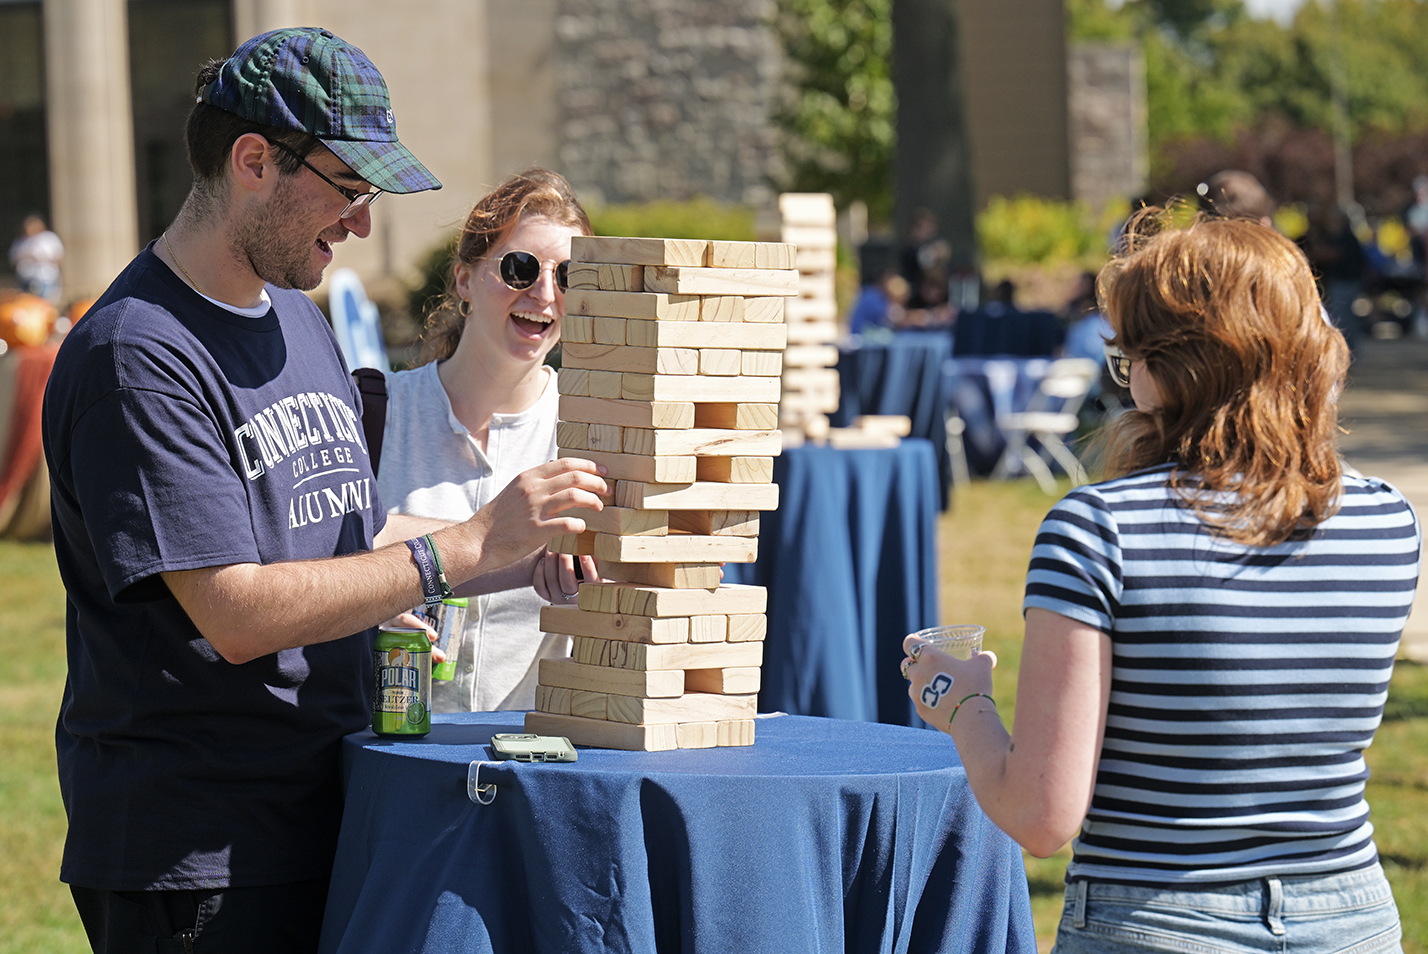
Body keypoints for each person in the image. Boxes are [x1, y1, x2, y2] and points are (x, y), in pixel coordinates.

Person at [41, 28, 606, 953]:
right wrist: (464, 545)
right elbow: (233, 609)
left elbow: (349, 536)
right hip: (201, 857)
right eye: (349, 190)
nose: (362, 226)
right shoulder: (137, 356)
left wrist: (517, 555)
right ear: (254, 160)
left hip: (327, 813)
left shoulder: (298, 322)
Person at [901, 213, 1420, 953]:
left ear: (1167, 369)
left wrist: (960, 702)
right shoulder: (1388, 520)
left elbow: (1043, 816)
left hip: (1154, 917)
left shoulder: (1098, 529)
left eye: (1130, 355)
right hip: (1350, 917)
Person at [378, 169, 599, 712]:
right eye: (521, 268)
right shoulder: (373, 412)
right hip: (390, 759)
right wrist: (366, 605)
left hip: (539, 772)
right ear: (463, 279)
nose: (545, 294)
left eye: (570, 275)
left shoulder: (599, 431)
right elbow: (314, 552)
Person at [8, 214, 64, 304]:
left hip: (45, 278)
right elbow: (13, 259)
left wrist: (39, 258)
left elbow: (58, 257)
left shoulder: (48, 239)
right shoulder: (21, 241)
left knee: (45, 303)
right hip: (25, 278)